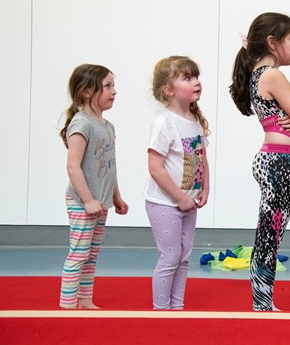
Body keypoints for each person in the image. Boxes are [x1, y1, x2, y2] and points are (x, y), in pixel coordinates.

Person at [229, 12, 290, 311]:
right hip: (278, 164)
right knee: (270, 233)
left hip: (282, 163)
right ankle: (261, 302)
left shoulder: (264, 74)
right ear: (272, 42)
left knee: (272, 232)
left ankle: (263, 299)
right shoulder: (272, 75)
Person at [59, 64, 129, 309]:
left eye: (113, 85)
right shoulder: (82, 124)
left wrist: (116, 196)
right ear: (87, 92)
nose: (114, 91)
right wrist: (88, 199)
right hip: (82, 202)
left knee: (91, 256)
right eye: (108, 86)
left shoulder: (107, 126)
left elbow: (109, 167)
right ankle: (68, 305)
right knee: (79, 254)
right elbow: (73, 167)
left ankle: (85, 300)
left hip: (100, 202)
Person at [144, 56, 211, 310]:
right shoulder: (164, 123)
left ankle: (177, 307)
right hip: (165, 203)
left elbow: (202, 159)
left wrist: (204, 188)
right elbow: (155, 168)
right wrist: (179, 197)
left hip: (189, 202)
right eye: (188, 78)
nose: (196, 82)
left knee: (183, 257)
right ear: (168, 90)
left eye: (196, 77)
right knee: (170, 255)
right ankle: (161, 310)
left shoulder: (194, 121)